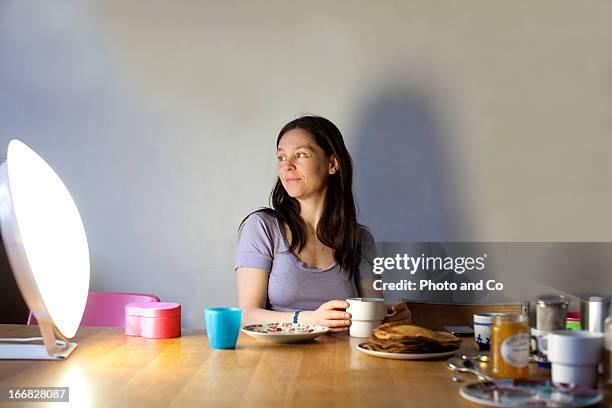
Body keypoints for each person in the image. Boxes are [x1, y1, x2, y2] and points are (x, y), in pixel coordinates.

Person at [235, 115, 410, 333]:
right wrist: (310, 319)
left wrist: (389, 316)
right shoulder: (262, 227)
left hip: (344, 359)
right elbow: (247, 315)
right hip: (280, 361)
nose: (287, 166)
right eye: (281, 157)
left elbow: (372, 308)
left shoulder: (360, 239)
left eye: (300, 155)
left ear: (333, 163)